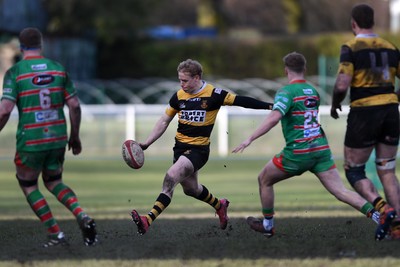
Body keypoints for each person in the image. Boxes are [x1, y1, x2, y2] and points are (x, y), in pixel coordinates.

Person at [232, 51, 385, 239]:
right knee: (341, 191)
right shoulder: (312, 90)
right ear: (304, 69)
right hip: (320, 149)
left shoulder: (286, 92)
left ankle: (268, 226)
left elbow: (275, 116)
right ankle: (379, 217)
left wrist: (250, 138)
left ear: (286, 70)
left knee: (264, 179)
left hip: (298, 152)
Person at [130, 58, 273, 235]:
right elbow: (164, 121)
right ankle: (219, 205)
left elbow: (242, 101)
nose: (181, 84)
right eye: (180, 80)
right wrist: (146, 143)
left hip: (198, 151)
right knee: (191, 189)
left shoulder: (214, 94)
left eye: (185, 80)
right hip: (180, 149)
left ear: (197, 78)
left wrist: (271, 106)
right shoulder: (178, 96)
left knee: (170, 177)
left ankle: (147, 220)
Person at [0, 27, 97, 247]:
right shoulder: (58, 69)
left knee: (29, 184)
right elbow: (75, 106)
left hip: (31, 140)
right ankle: (82, 215)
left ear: (21, 47)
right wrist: (75, 137)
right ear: (40, 45)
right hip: (57, 138)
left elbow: (4, 110)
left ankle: (56, 233)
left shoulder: (16, 72)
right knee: (54, 181)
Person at [330, 3, 400, 240]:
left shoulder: (351, 47)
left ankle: (384, 209)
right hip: (391, 112)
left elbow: (342, 84)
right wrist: (393, 98)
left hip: (365, 113)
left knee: (354, 169)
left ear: (353, 24)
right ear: (373, 22)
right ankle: (398, 227)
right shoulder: (390, 47)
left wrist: (335, 102)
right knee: (387, 170)